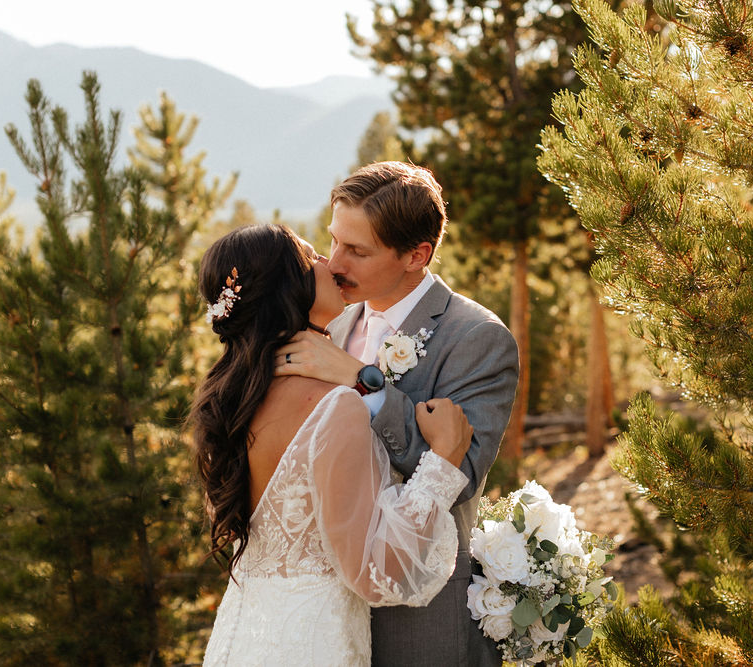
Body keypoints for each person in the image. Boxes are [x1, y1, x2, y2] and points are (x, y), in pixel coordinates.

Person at [190, 224, 476, 666]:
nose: (329, 262)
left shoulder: (234, 398)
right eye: (311, 256)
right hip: (313, 643)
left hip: (242, 636)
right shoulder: (333, 407)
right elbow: (375, 575)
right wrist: (442, 461)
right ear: (289, 286)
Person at [277, 162, 519, 666]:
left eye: (357, 251)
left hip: (416, 606)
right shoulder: (331, 320)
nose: (333, 262)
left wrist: (359, 379)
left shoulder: (477, 338)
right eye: (334, 241)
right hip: (325, 603)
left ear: (417, 255)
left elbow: (464, 472)